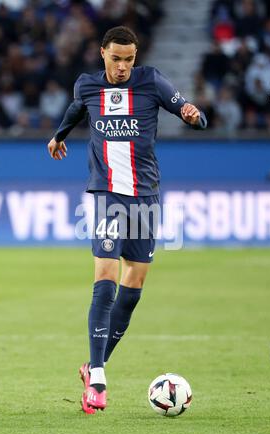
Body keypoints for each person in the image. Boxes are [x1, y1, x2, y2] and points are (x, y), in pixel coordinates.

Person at [47, 26, 207, 414]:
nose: (122, 67)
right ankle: (99, 377)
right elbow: (75, 109)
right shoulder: (86, 86)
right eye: (116, 58)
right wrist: (59, 136)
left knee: (131, 291)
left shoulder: (151, 81)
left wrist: (191, 114)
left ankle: (92, 365)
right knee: (104, 278)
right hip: (106, 194)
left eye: (129, 59)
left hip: (145, 198)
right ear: (103, 53)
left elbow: (192, 114)